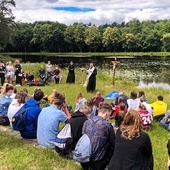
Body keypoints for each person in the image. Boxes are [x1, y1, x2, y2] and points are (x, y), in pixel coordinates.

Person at [81, 102, 115, 170]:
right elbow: (113, 143)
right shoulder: (107, 126)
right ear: (107, 113)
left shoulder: (87, 122)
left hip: (84, 158)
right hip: (97, 162)